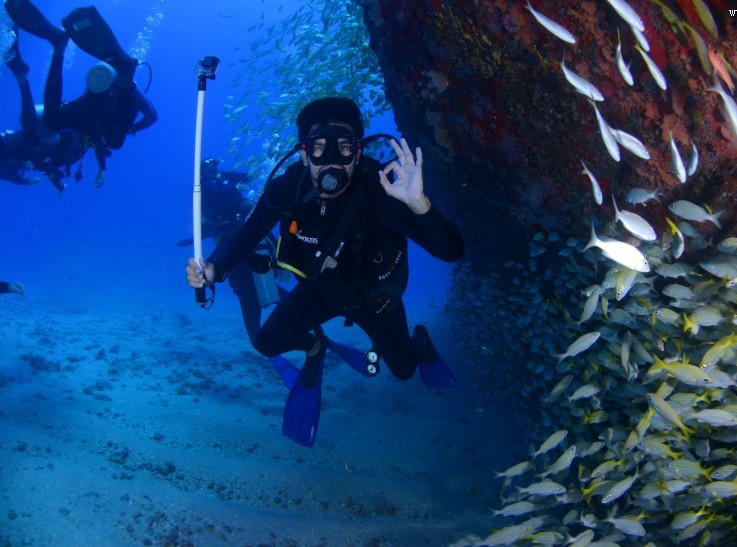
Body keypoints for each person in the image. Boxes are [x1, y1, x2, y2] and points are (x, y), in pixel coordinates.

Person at [186, 98, 464, 445]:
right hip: (319, 290)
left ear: (358, 154)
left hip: (374, 297)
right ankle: (315, 344)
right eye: (319, 148)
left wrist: (419, 204)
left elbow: (452, 252)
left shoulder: (382, 190)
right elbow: (248, 232)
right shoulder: (288, 187)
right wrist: (215, 267)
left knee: (405, 370)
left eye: (344, 147)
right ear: (304, 155)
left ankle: (419, 341)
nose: (332, 161)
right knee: (266, 341)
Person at [3, 0, 158, 189]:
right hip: (95, 111)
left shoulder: (123, 106)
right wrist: (133, 127)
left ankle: (59, 46)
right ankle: (62, 48)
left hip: (92, 114)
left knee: (56, 123)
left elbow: (149, 117)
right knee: (109, 139)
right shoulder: (127, 99)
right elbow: (151, 116)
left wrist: (131, 130)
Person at [178, 158, 280, 344]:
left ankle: (300, 326)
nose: (213, 168)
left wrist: (266, 166)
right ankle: (259, 337)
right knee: (245, 289)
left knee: (268, 283)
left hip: (252, 233)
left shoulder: (227, 177)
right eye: (208, 166)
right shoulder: (204, 187)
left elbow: (249, 177)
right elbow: (209, 221)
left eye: (214, 165)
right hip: (230, 236)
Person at [0, 31, 88, 192]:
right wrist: (53, 184)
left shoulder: (6, 159)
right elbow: (42, 168)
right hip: (43, 138)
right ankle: (23, 76)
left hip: (39, 135)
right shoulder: (6, 167)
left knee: (31, 132)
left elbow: (18, 175)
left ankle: (22, 76)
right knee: (34, 133)